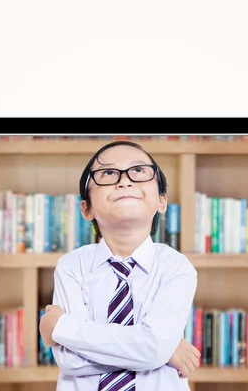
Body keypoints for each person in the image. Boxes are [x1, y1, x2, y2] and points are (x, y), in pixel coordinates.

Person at [39, 140, 200, 391]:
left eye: (138, 171)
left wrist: (63, 327)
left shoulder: (175, 267)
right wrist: (161, 351)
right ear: (86, 208)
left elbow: (154, 349)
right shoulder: (72, 266)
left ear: (161, 201)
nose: (124, 181)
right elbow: (70, 360)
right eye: (108, 173)